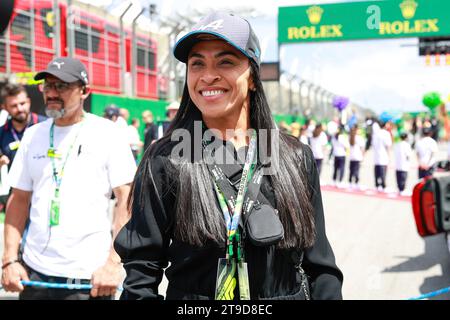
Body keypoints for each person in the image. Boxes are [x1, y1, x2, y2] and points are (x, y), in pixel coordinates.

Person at [114, 11, 343, 300]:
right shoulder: (165, 159)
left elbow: (320, 265)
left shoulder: (295, 156)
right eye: (197, 64)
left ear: (253, 78)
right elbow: (141, 273)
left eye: (226, 62)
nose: (208, 76)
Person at [1, 57, 137, 300]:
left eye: (62, 86)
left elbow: (127, 201)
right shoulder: (33, 136)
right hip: (35, 274)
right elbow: (19, 199)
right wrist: (9, 259)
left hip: (90, 277)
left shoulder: (107, 134)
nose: (52, 93)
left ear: (85, 91)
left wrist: (113, 263)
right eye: (48, 86)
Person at [0, 84, 46, 212]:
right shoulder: (2, 133)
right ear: (5, 108)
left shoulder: (46, 126)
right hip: (17, 192)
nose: (20, 109)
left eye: (22, 103)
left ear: (29, 102)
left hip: (44, 192)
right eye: (14, 106)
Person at [372, 120, 392, 191]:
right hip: (383, 155)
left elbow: (373, 144)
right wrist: (389, 156)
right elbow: (388, 145)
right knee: (383, 171)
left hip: (376, 155)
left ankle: (377, 185)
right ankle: (383, 185)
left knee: (377, 170)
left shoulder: (376, 134)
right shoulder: (386, 133)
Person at [348, 125, 365, 189]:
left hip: (351, 156)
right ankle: (356, 183)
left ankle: (350, 182)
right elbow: (362, 148)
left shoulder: (350, 136)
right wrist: (363, 156)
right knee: (356, 170)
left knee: (351, 170)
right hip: (357, 156)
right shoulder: (359, 138)